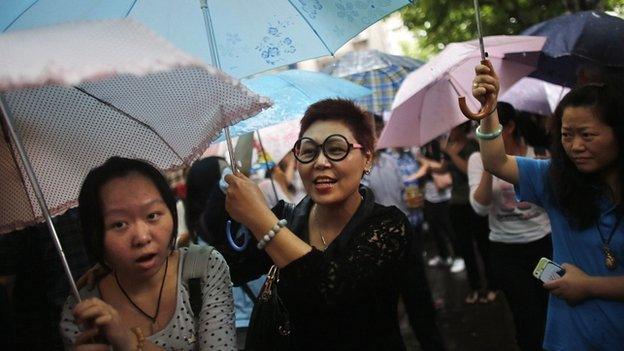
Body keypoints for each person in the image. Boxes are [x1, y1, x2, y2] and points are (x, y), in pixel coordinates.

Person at [219, 99, 412, 350]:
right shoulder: (284, 219)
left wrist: (260, 219)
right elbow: (228, 268)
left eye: (336, 148)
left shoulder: (389, 226)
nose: (320, 162)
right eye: (309, 151)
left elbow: (333, 292)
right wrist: (234, 202)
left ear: (367, 159)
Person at [472, 62, 624, 350]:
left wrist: (588, 285)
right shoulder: (554, 179)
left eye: (587, 135)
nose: (576, 146)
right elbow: (495, 161)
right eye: (567, 135)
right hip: (569, 339)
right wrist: (489, 108)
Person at [60, 157, 236, 350]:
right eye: (119, 224)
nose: (142, 237)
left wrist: (130, 343)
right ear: (94, 234)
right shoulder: (83, 312)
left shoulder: (204, 267)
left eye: (152, 216)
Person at [468, 102, 552, 350]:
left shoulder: (539, 155)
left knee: (551, 308)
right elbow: (480, 208)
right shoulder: (476, 158)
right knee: (525, 316)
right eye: (479, 126)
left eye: (489, 124)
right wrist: (489, 164)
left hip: (543, 247)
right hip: (506, 251)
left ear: (511, 126)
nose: (481, 132)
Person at [444, 122, 497, 303]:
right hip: (456, 202)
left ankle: (492, 284)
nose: (450, 131)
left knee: (483, 244)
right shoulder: (450, 147)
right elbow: (446, 169)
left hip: (473, 201)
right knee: (465, 247)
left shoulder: (472, 145)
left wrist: (451, 154)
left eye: (453, 128)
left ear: (461, 128)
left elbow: (469, 169)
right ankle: (474, 286)